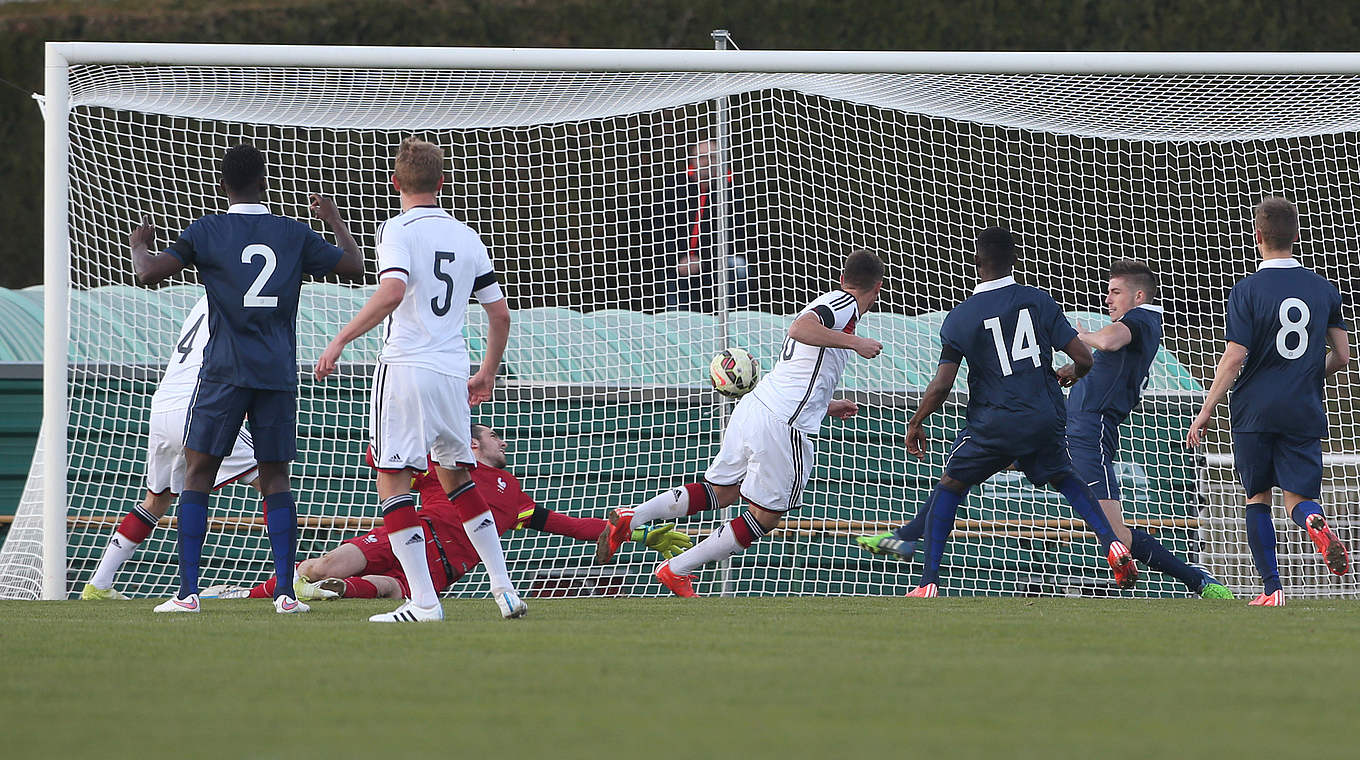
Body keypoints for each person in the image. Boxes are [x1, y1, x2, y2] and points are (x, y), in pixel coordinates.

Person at [858, 260, 1233, 599]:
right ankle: (905, 537)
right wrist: (1073, 369)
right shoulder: (1136, 322)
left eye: (1115, 292)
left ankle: (1197, 580)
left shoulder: (1142, 319)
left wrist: (1078, 335)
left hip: (1088, 433)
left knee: (1115, 534)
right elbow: (1099, 361)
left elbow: (1107, 340)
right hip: (1060, 425)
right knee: (958, 477)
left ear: (1138, 295)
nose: (1108, 299)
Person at [131, 144, 363, 614]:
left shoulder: (208, 230)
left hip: (224, 373)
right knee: (276, 477)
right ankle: (285, 593)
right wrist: (334, 218)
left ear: (223, 186)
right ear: (265, 182)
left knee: (197, 474)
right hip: (276, 372)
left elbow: (147, 273)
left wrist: (139, 242)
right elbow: (356, 268)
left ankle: (188, 593)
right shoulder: (293, 233)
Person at [595, 250, 885, 596]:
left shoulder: (830, 300)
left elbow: (803, 369)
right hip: (782, 424)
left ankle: (632, 517)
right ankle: (676, 569)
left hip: (757, 407)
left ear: (842, 277)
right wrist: (857, 343)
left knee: (722, 491)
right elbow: (801, 328)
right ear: (878, 288)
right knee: (765, 517)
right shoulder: (843, 305)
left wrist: (828, 404)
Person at [316, 136, 521, 623]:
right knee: (456, 477)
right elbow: (500, 314)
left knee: (393, 478)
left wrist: (340, 339)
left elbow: (392, 291)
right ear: (442, 181)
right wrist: (486, 373)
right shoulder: (467, 235)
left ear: (395, 182)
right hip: (452, 371)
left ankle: (425, 602)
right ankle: (504, 588)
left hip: (406, 367)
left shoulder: (395, 228)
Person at [899, 227, 1135, 598]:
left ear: (976, 261)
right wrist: (1073, 373)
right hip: (1043, 416)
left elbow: (943, 384)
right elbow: (1084, 357)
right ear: (1015, 261)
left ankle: (928, 581)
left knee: (951, 485)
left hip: (993, 423)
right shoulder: (1037, 300)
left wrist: (916, 422)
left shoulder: (961, 317)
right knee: (1065, 476)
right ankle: (1111, 542)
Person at [227, 425, 692, 600]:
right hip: (411, 534)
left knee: (391, 589)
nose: (504, 442)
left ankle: (331, 591)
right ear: (473, 445)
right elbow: (391, 471)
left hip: (445, 566)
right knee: (324, 563)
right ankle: (256, 594)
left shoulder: (517, 497)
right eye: (495, 436)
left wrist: (634, 534)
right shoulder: (443, 465)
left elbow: (566, 525)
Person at [1187, 197, 1351, 606]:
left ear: (1257, 236)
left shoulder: (1246, 291)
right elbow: (1345, 358)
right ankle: (1314, 522)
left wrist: (1206, 411)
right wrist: (1308, 374)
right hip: (1303, 408)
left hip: (1254, 411)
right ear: (1296, 236)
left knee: (1257, 495)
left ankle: (1272, 589)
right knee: (1298, 498)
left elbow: (1235, 356)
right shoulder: (1323, 289)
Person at [80, 295, 266, 600]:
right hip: (200, 405)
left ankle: (99, 584)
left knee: (156, 500)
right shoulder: (241, 300)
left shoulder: (204, 300)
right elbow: (241, 354)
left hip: (164, 405)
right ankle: (291, 581)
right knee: (273, 482)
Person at [652, 138, 751, 313]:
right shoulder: (674, 187)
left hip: (716, 263)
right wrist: (680, 258)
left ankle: (736, 320)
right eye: (701, 157)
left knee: (738, 264)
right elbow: (662, 229)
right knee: (666, 276)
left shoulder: (732, 189)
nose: (706, 162)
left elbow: (736, 234)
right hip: (678, 263)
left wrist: (704, 260)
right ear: (692, 160)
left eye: (712, 157)